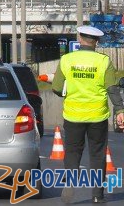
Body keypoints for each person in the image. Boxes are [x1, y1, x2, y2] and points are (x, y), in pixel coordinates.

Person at [52, 25, 124, 204]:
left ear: (79, 39)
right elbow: (112, 89)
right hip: (97, 115)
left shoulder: (67, 60)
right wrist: (120, 110)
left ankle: (70, 180)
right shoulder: (103, 61)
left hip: (73, 115)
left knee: (73, 151)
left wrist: (67, 93)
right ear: (96, 42)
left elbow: (56, 87)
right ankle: (97, 195)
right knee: (98, 154)